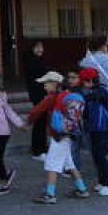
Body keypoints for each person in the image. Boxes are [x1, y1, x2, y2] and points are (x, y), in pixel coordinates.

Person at [26, 71, 90, 204]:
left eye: (46, 83)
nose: (44, 86)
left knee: (51, 164)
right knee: (69, 164)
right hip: (69, 133)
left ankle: (50, 194)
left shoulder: (53, 97)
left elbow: (36, 111)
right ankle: (82, 189)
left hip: (58, 135)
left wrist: (26, 122)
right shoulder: (68, 95)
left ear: (55, 84)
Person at [79, 68, 108, 197]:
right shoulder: (93, 92)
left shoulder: (100, 91)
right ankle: (102, 181)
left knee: (101, 156)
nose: (82, 84)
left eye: (83, 81)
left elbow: (92, 98)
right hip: (94, 129)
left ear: (90, 80)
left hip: (103, 130)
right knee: (97, 156)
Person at [23, 41, 50, 159]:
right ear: (32, 49)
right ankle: (38, 151)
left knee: (41, 122)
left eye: (42, 47)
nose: (40, 49)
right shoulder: (33, 61)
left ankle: (41, 148)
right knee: (39, 122)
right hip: (38, 94)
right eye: (37, 47)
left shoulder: (37, 60)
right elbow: (39, 80)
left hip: (39, 94)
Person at [80, 36, 108, 104]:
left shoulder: (84, 62)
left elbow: (83, 82)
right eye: (106, 45)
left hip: (92, 98)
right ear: (102, 46)